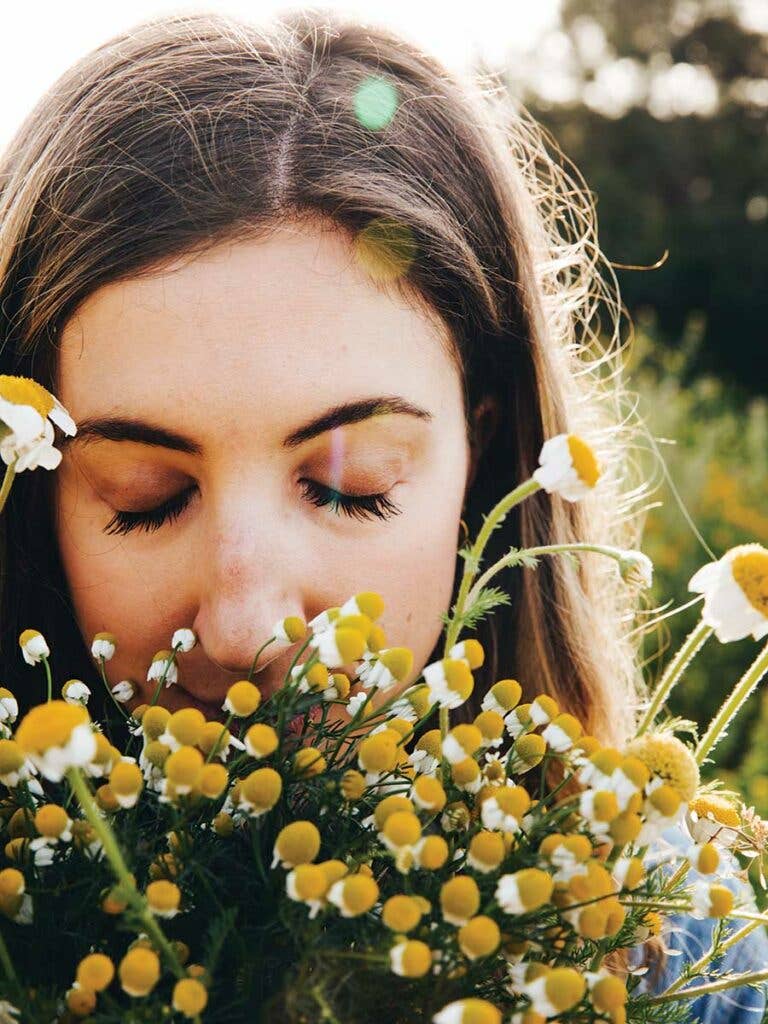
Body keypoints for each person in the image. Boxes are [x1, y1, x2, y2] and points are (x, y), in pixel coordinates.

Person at [0, 9, 764, 1018]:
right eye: (149, 500)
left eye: (351, 484)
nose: (241, 628)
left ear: (484, 454)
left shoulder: (668, 934)